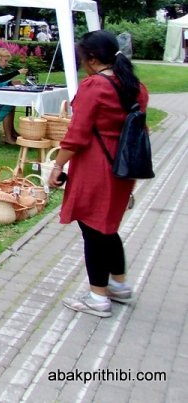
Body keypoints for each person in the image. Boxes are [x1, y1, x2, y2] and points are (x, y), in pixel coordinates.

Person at [48, 30, 149, 318]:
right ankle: (118, 285)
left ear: (92, 59)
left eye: (82, 58)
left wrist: (57, 166)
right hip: (125, 165)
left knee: (93, 231)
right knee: (108, 226)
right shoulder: (135, 86)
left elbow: (77, 135)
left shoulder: (94, 86)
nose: (82, 64)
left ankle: (97, 297)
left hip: (97, 166)